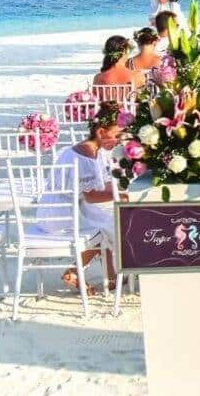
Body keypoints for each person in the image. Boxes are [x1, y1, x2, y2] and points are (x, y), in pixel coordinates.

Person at [37, 101, 125, 293]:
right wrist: (121, 195)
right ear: (101, 132)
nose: (119, 140)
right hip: (61, 215)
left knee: (108, 220)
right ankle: (75, 271)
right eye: (117, 135)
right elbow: (92, 196)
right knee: (108, 225)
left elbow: (101, 183)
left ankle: (110, 276)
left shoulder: (93, 150)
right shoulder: (85, 156)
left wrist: (122, 187)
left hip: (62, 207)